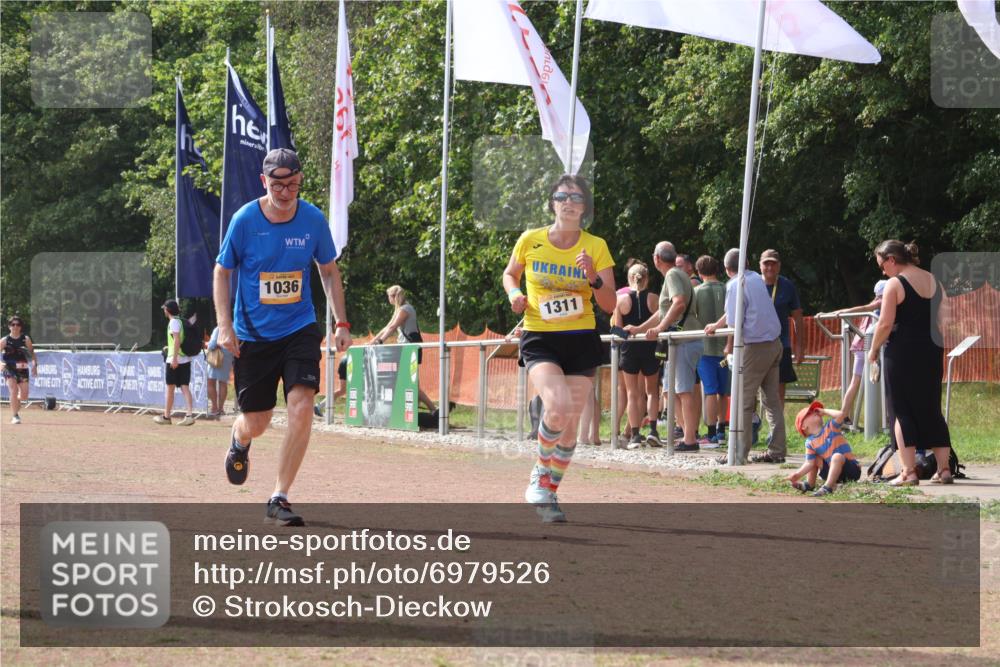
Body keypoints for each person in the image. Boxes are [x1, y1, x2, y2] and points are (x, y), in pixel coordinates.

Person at [215, 148, 352, 527]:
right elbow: (222, 272)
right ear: (265, 182)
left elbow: (328, 271)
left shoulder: (312, 219)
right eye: (277, 184)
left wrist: (341, 322)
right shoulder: (245, 220)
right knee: (256, 421)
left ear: (300, 182)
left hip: (299, 327)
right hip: (254, 335)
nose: (285, 192)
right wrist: (224, 325)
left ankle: (279, 496)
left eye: (292, 184)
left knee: (302, 406)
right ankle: (240, 440)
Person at [503, 174, 616, 522]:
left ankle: (549, 495)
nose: (569, 202)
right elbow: (510, 274)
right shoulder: (530, 239)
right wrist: (515, 295)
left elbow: (610, 304)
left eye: (576, 197)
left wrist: (593, 276)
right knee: (559, 404)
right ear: (552, 202)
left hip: (581, 339)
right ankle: (539, 474)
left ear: (585, 208)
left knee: (569, 426)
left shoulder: (595, 246)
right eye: (562, 195)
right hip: (541, 337)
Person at [867, 240, 952, 486]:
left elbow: (884, 323)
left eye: (883, 265)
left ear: (892, 260)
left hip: (902, 351)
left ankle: (908, 472)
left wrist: (873, 351)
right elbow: (943, 321)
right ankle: (944, 469)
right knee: (931, 408)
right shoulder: (935, 281)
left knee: (900, 410)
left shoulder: (895, 283)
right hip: (932, 349)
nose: (883, 271)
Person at [704, 248, 785, 464]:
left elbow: (734, 322)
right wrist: (717, 324)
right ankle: (777, 451)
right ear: (748, 263)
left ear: (726, 269)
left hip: (756, 347)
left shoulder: (734, 284)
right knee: (772, 401)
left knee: (742, 401)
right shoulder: (757, 279)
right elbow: (735, 312)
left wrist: (727, 343)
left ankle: (738, 454)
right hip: (775, 344)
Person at [625, 242, 702, 452]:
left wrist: (659, 328)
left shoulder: (672, 275)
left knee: (683, 391)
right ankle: (687, 434)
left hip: (684, 340)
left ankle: (690, 439)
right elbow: (664, 311)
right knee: (669, 391)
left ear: (656, 258)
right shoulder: (676, 275)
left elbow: (678, 303)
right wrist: (640, 328)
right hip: (678, 341)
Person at [816, 280, 887, 421]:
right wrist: (837, 313)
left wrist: (833, 313)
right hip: (871, 348)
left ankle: (843, 415)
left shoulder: (877, 304)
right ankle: (886, 417)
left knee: (855, 382)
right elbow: (858, 310)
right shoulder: (880, 304)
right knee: (882, 382)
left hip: (861, 347)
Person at [614, 261, 661, 449]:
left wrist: (629, 332)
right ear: (647, 278)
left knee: (632, 393)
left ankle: (634, 435)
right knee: (652, 392)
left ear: (629, 279)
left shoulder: (621, 301)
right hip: (650, 347)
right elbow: (661, 320)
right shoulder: (654, 299)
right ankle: (653, 430)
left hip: (629, 349)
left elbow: (618, 331)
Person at [758, 250, 803, 446]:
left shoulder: (786, 286)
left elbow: (798, 317)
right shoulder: (753, 285)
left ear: (779, 266)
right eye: (766, 264)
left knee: (777, 393)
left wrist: (800, 346)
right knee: (751, 391)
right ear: (760, 265)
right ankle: (750, 431)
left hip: (781, 346)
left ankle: (775, 434)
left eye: (773, 264)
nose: (769, 268)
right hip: (756, 345)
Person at [371, 285, 436, 413]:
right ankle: (430, 410)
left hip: (409, 349)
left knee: (412, 384)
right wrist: (373, 341)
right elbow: (387, 326)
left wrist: (379, 341)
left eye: (388, 296)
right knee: (407, 381)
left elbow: (392, 327)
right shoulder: (400, 309)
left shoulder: (405, 309)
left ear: (393, 297)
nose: (388, 299)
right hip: (405, 349)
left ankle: (433, 410)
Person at [787, 400, 861, 497]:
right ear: (804, 426)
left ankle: (827, 487)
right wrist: (797, 474)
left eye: (815, 411)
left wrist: (825, 411)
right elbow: (808, 463)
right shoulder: (810, 442)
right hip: (832, 473)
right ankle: (809, 484)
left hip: (851, 471)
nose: (815, 412)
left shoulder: (830, 427)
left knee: (837, 456)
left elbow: (841, 415)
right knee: (813, 459)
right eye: (809, 413)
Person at [693, 255, 730, 444]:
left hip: (705, 349)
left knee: (709, 391)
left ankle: (710, 433)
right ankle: (722, 430)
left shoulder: (697, 291)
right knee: (723, 392)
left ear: (699, 273)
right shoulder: (727, 289)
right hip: (726, 348)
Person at [152, 300, 196, 426]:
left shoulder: (173, 322)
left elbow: (177, 340)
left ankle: (166, 416)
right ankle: (189, 415)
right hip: (185, 358)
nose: (164, 311)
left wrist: (175, 358)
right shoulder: (182, 321)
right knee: (185, 387)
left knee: (170, 388)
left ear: (168, 310)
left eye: (165, 309)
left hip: (175, 359)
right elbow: (177, 340)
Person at [2, 315, 37, 424]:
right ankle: (15, 416)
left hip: (22, 368)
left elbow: (31, 352)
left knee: (24, 395)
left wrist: (35, 365)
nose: (15, 327)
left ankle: (16, 402)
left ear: (21, 327)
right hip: (9, 367)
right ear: (9, 326)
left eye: (18, 325)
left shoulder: (25, 339)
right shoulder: (5, 340)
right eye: (13, 324)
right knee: (13, 390)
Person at [206, 325, 235, 419]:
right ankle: (221, 408)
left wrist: (207, 344)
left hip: (216, 356)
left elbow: (212, 344)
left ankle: (214, 407)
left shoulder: (219, 328)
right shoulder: (233, 328)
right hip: (228, 356)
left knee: (211, 381)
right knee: (223, 383)